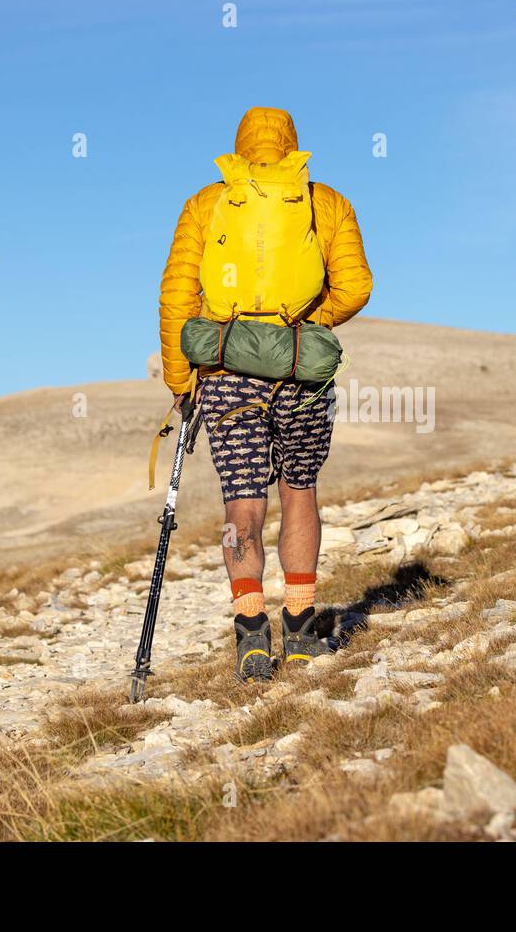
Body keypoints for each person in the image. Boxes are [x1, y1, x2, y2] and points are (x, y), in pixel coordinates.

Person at [158, 106, 372, 683]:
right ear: (293, 145)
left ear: (240, 147)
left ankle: (251, 634)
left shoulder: (206, 203)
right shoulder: (324, 201)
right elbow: (356, 285)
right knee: (299, 490)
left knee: (243, 500)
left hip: (227, 370)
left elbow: (177, 297)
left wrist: (182, 381)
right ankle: (300, 633)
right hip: (301, 367)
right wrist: (305, 326)